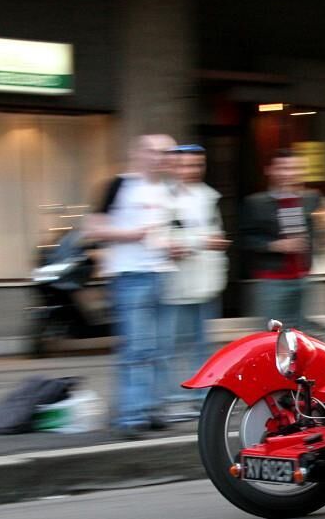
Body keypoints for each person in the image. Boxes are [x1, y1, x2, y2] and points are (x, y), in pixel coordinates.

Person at [85, 134, 179, 438]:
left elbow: (171, 231)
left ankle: (153, 409)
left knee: (161, 348)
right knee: (136, 349)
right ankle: (130, 415)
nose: (159, 157)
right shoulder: (118, 185)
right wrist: (130, 234)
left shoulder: (167, 191)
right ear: (137, 153)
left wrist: (175, 247)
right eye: (152, 151)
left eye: (165, 152)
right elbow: (92, 228)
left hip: (162, 273)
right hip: (130, 276)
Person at [160, 144, 229, 417]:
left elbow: (214, 233)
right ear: (174, 166)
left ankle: (200, 398)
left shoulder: (209, 197)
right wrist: (202, 242)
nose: (192, 170)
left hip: (205, 282)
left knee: (201, 345)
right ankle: (174, 400)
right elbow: (166, 238)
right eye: (186, 164)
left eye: (197, 164)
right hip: (176, 285)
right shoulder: (164, 197)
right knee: (172, 344)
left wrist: (212, 244)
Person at [240, 149, 318, 331]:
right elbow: (245, 239)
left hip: (303, 277)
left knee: (300, 335)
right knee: (272, 334)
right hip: (272, 281)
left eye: (295, 169)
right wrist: (274, 245)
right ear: (270, 170)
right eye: (283, 168)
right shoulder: (256, 203)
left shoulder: (310, 199)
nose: (289, 174)